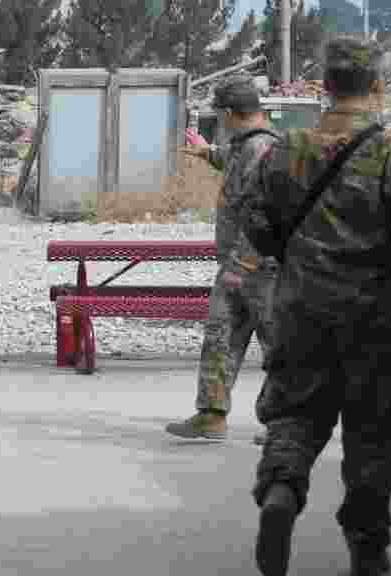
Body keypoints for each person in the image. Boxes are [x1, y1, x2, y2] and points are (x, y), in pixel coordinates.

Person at [235, 37, 391, 575]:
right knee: (372, 435)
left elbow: (255, 222)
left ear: (324, 86)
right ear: (375, 85)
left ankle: (281, 490)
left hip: (301, 313)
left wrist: (293, 257)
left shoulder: (289, 147)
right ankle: (367, 549)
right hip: (373, 320)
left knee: (295, 418)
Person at [164, 75, 278, 443]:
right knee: (220, 337)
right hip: (238, 267)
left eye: (220, 115)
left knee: (278, 345)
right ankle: (211, 415)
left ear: (229, 113)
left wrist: (241, 264)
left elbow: (264, 213)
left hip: (262, 269)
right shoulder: (247, 145)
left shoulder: (264, 148)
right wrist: (208, 153)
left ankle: (286, 424)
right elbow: (233, 161)